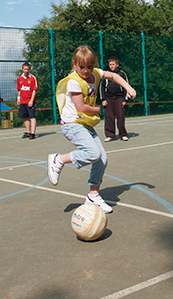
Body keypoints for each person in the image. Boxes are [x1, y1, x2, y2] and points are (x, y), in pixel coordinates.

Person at [47, 46, 136, 214]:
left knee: (102, 159)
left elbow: (114, 75)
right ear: (74, 64)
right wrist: (98, 110)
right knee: (93, 154)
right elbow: (80, 107)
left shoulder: (95, 73)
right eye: (82, 67)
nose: (86, 70)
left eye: (89, 66)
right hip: (72, 123)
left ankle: (93, 195)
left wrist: (128, 88)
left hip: (84, 123)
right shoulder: (74, 81)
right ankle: (58, 160)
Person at [100, 56, 129, 142]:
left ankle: (123, 134)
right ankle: (110, 135)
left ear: (117, 64)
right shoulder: (106, 74)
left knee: (120, 117)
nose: (111, 66)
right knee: (109, 117)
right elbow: (101, 87)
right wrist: (103, 99)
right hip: (108, 99)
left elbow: (126, 86)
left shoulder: (122, 74)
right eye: (110, 64)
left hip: (119, 98)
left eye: (113, 64)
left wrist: (125, 99)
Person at [17, 62, 38, 140]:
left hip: (30, 101)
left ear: (30, 69)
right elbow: (19, 89)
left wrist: (31, 101)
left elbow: (34, 90)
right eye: (25, 69)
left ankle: (33, 133)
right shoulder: (19, 78)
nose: (26, 71)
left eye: (27, 69)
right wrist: (18, 99)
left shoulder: (33, 78)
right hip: (22, 101)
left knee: (32, 117)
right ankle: (28, 132)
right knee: (25, 117)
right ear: (22, 69)